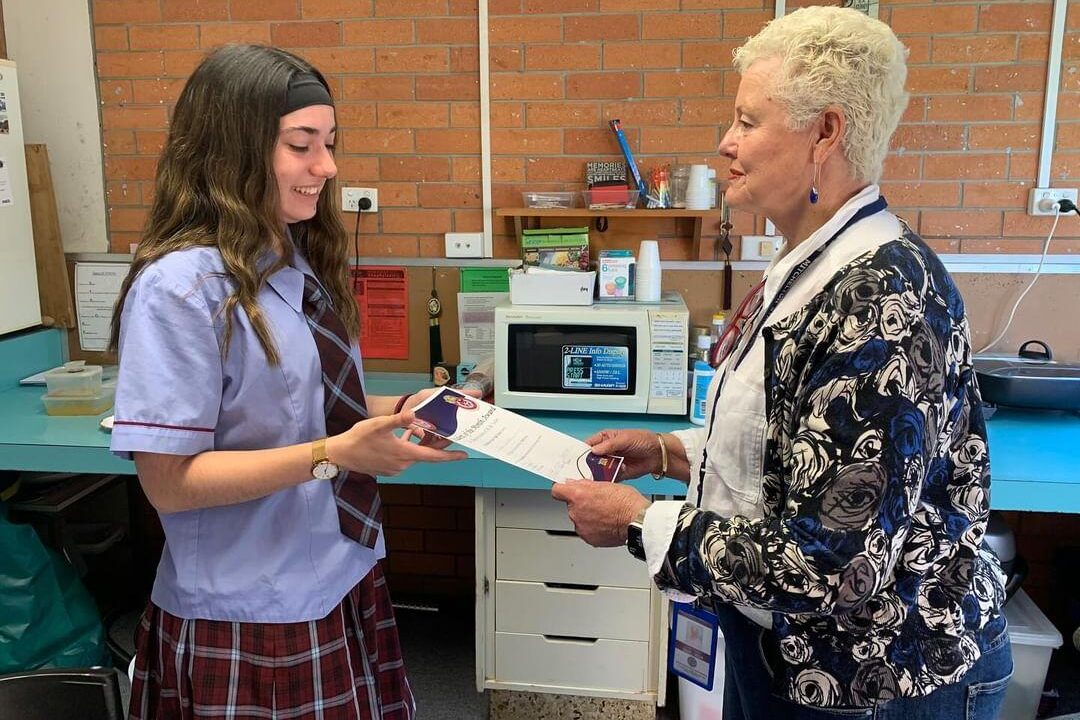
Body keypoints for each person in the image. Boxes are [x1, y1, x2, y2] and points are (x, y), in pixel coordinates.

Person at [553, 7, 1011, 719]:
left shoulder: (880, 295)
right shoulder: (811, 268)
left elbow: (833, 563)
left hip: (879, 676)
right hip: (783, 649)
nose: (725, 142)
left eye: (748, 120)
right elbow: (792, 446)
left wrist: (642, 523)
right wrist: (670, 452)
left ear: (825, 132)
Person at [108, 44, 468, 720]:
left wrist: (403, 407)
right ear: (230, 152)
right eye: (302, 145)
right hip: (251, 611)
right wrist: (335, 456)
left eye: (329, 144)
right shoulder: (179, 290)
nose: (326, 167)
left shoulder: (290, 259)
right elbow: (168, 483)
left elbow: (310, 406)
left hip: (339, 574)